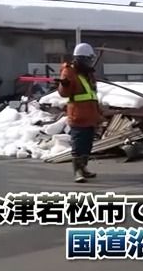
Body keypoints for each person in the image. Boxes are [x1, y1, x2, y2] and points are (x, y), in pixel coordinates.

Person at [56, 42, 104, 183]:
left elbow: (92, 95)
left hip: (90, 115)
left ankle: (84, 168)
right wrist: (64, 85)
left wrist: (98, 113)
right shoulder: (69, 72)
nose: (90, 62)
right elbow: (64, 93)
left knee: (87, 145)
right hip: (78, 115)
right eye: (88, 59)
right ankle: (77, 171)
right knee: (78, 145)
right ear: (82, 58)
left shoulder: (88, 74)